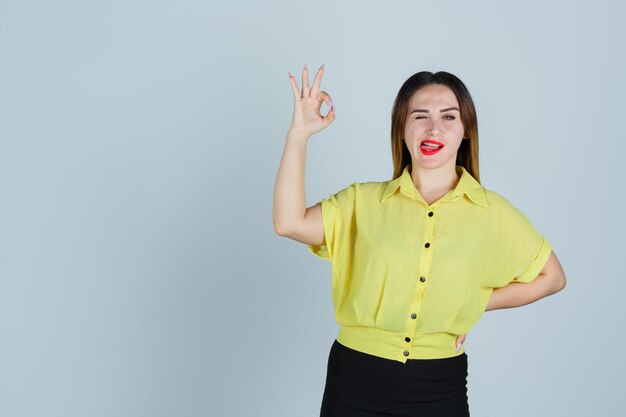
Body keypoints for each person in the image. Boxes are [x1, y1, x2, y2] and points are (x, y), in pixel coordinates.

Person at [272, 63, 567, 417]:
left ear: (466, 131)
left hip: (440, 387)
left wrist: (468, 302)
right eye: (420, 116)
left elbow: (553, 277)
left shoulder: (491, 212)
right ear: (401, 129)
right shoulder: (361, 202)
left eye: (448, 117)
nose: (433, 128)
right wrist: (298, 135)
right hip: (355, 380)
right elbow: (288, 222)